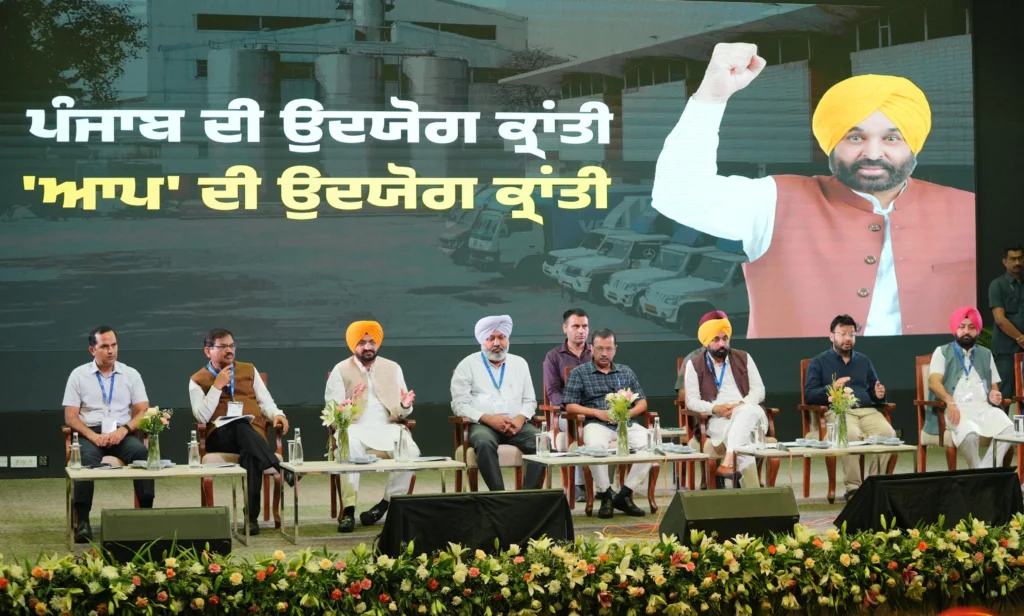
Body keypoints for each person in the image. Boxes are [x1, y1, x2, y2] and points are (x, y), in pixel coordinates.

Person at [651, 42, 975, 338]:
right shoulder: (776, 201)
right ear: (831, 142)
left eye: (891, 138)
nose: (874, 153)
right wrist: (711, 98)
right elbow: (679, 194)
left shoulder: (969, 210)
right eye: (855, 137)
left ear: (913, 143)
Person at [189, 328, 290, 535]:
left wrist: (277, 414)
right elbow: (201, 417)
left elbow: (265, 402)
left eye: (231, 346)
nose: (229, 350)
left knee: (250, 454)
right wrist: (217, 387)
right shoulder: (197, 379)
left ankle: (250, 520)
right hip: (220, 436)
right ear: (208, 351)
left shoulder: (249, 369)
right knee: (239, 424)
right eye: (223, 346)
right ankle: (279, 466)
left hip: (252, 434)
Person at [62, 326, 155, 543]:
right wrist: (92, 436)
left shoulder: (130, 374)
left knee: (142, 453)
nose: (111, 350)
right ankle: (83, 521)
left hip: (121, 433)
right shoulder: (78, 375)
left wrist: (124, 430)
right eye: (104, 346)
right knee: (84, 461)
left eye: (114, 345)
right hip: (90, 433)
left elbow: (143, 411)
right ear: (92, 350)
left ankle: (146, 515)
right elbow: (70, 417)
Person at [326, 320, 418, 533]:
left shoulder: (393, 368)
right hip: (354, 428)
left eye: (372, 342)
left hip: (388, 427)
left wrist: (405, 406)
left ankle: (385, 504)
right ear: (353, 345)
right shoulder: (341, 369)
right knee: (347, 445)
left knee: (411, 452)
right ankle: (348, 510)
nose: (368, 347)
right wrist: (351, 402)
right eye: (362, 343)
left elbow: (401, 412)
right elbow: (332, 413)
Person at [803, 315, 895, 501]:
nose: (848, 338)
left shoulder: (864, 360)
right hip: (839, 411)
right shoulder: (819, 362)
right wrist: (832, 389)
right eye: (843, 334)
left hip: (867, 411)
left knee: (888, 434)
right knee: (849, 435)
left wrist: (879, 394)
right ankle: (854, 488)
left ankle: (874, 484)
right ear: (832, 336)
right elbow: (810, 395)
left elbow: (874, 389)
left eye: (852, 334)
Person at [451, 315, 544, 491]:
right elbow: (459, 404)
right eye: (490, 338)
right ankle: (499, 496)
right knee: (484, 444)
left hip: (516, 425)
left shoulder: (520, 363)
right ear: (482, 341)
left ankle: (528, 496)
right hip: (483, 424)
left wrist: (520, 419)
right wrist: (488, 419)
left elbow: (530, 400)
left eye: (501, 337)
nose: (497, 343)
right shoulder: (467, 365)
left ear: (507, 339)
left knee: (542, 443)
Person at [563, 328, 649, 518]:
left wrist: (628, 413)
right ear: (591, 348)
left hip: (625, 424)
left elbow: (642, 402)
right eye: (600, 348)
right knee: (594, 447)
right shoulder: (580, 373)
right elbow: (569, 406)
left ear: (615, 349)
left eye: (608, 349)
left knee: (651, 445)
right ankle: (606, 494)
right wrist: (597, 413)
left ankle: (625, 493)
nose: (604, 353)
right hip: (596, 423)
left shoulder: (625, 371)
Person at [682, 312, 766, 489]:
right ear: (706, 340)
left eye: (725, 338)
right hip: (718, 419)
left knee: (747, 412)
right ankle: (753, 493)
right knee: (744, 442)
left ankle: (728, 460)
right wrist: (715, 408)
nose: (722, 344)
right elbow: (692, 401)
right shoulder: (694, 364)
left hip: (750, 413)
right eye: (716, 339)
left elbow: (759, 391)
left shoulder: (744, 357)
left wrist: (740, 406)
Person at [927, 307, 1012, 469]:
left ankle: (984, 471)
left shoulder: (986, 353)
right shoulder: (942, 352)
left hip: (984, 409)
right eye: (962, 326)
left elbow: (994, 386)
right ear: (955, 329)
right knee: (970, 434)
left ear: (977, 330)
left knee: (1009, 429)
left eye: (971, 327)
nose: (966, 331)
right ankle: (978, 471)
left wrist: (994, 393)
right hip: (957, 410)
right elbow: (934, 382)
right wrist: (949, 401)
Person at [542, 308, 592, 500]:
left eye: (585, 326)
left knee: (608, 426)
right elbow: (553, 392)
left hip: (594, 410)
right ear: (565, 328)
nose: (581, 330)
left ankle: (604, 485)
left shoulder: (597, 353)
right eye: (576, 326)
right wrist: (572, 406)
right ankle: (578, 484)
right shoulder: (554, 356)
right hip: (565, 413)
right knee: (577, 425)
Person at [989, 245, 1024, 401]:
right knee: (1004, 395)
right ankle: (1000, 418)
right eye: (1012, 259)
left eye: (1020, 258)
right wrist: (1020, 338)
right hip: (1006, 349)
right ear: (1005, 261)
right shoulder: (997, 285)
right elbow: (1000, 319)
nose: (1017, 263)